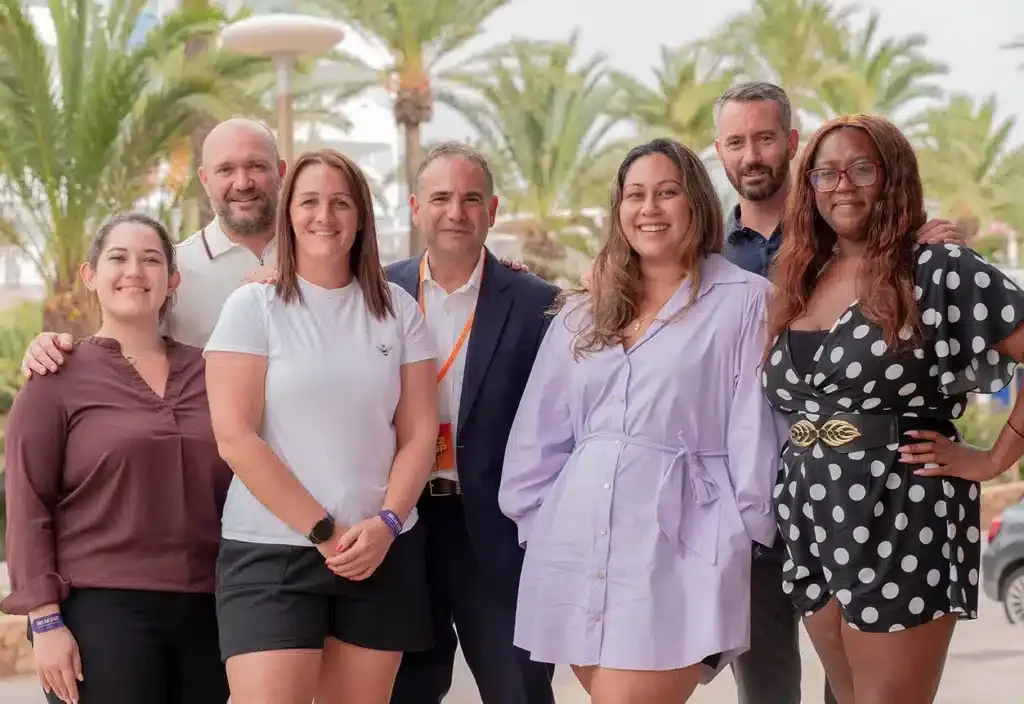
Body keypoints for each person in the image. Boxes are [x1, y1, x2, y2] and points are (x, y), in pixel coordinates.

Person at [499, 138, 783, 703]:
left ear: (696, 204)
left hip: (684, 549)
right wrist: (542, 528)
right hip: (576, 548)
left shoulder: (746, 301)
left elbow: (755, 434)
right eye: (635, 195)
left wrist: (739, 540)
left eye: (666, 192)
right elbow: (539, 435)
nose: (649, 208)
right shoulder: (583, 310)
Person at [761, 113, 1024, 704]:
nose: (842, 185)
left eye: (861, 168)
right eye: (825, 174)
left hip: (903, 510)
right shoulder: (803, 276)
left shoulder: (937, 268)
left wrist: (993, 458)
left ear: (893, 176)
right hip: (812, 513)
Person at [202, 148, 439, 704]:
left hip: (378, 548)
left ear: (361, 217)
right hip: (271, 551)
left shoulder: (399, 311)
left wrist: (385, 522)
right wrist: (324, 533)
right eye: (309, 201)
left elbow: (420, 435)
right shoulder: (253, 306)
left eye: (340, 203)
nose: (324, 216)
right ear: (288, 214)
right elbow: (236, 438)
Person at [2, 212, 233, 704]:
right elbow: (27, 505)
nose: (135, 270)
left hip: (212, 609)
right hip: (100, 609)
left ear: (171, 281)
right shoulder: (56, 376)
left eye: (151, 260)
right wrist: (44, 623)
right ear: (90, 276)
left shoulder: (214, 372)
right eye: (118, 258)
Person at [386, 142, 558, 704]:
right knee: (406, 691)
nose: (455, 212)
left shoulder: (540, 304)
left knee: (520, 691)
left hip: (497, 534)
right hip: (401, 530)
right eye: (440, 198)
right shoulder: (376, 292)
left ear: (493, 209)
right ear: (415, 206)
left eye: (471, 199)